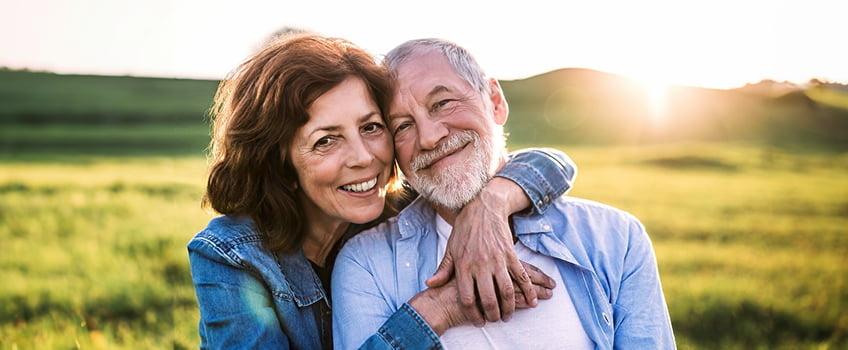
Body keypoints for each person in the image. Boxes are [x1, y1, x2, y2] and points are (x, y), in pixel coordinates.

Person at [187, 34, 577, 349]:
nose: (365, 158)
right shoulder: (231, 256)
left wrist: (489, 205)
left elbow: (549, 163)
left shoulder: (404, 205)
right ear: (278, 161)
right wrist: (437, 309)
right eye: (326, 141)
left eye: (372, 127)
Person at [332, 38, 676, 349]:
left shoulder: (615, 239)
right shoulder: (367, 262)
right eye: (403, 126)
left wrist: (489, 205)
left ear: (495, 102)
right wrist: (439, 309)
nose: (429, 138)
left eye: (443, 103)